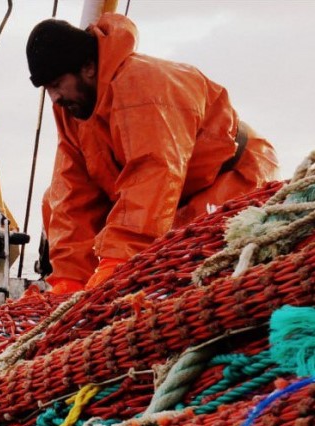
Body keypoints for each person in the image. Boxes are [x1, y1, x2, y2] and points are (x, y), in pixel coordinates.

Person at [26, 14, 278, 294]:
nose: (55, 98)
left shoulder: (142, 86)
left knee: (189, 271)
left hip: (230, 176)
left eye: (57, 84)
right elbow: (72, 195)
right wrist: (69, 281)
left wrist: (116, 262)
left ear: (87, 68)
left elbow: (153, 175)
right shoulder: (72, 110)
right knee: (55, 198)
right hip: (171, 194)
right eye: (48, 89)